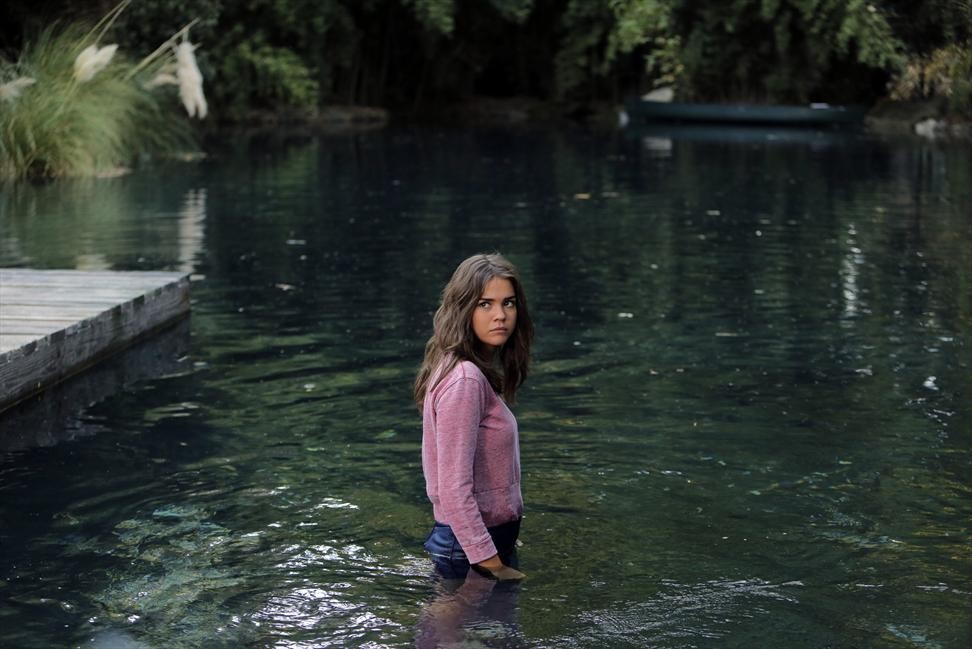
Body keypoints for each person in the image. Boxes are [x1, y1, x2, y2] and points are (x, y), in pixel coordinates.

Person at [414, 253, 534, 581]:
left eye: (508, 303)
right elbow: (453, 489)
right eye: (485, 304)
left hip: (476, 544)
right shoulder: (465, 380)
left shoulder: (462, 369)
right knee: (451, 618)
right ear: (463, 308)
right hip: (472, 553)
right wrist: (493, 564)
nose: (500, 315)